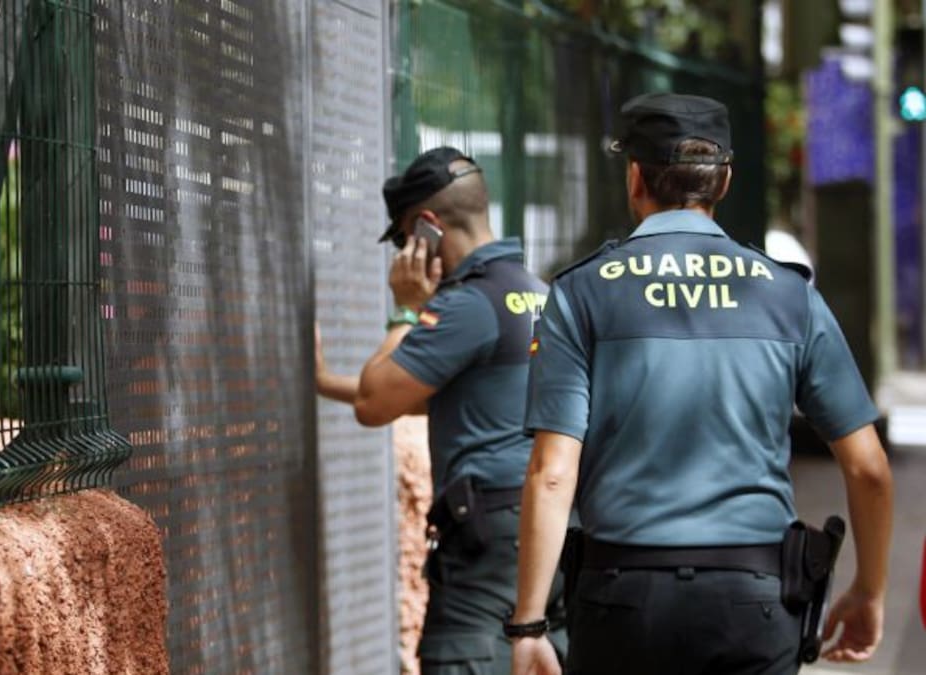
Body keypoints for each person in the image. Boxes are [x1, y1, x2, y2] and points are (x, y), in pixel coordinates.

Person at [507, 92, 894, 675]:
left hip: (620, 602)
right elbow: (868, 469)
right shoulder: (788, 295)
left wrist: (531, 623)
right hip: (753, 602)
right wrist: (869, 590)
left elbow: (553, 470)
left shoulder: (582, 293)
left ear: (635, 177)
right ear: (726, 181)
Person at [315, 146, 565, 674]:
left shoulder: (465, 305)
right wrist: (323, 382)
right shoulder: (540, 294)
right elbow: (437, 397)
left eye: (406, 239)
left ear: (427, 226)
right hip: (553, 530)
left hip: (488, 542)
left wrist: (407, 307)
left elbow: (374, 403)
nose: (405, 253)